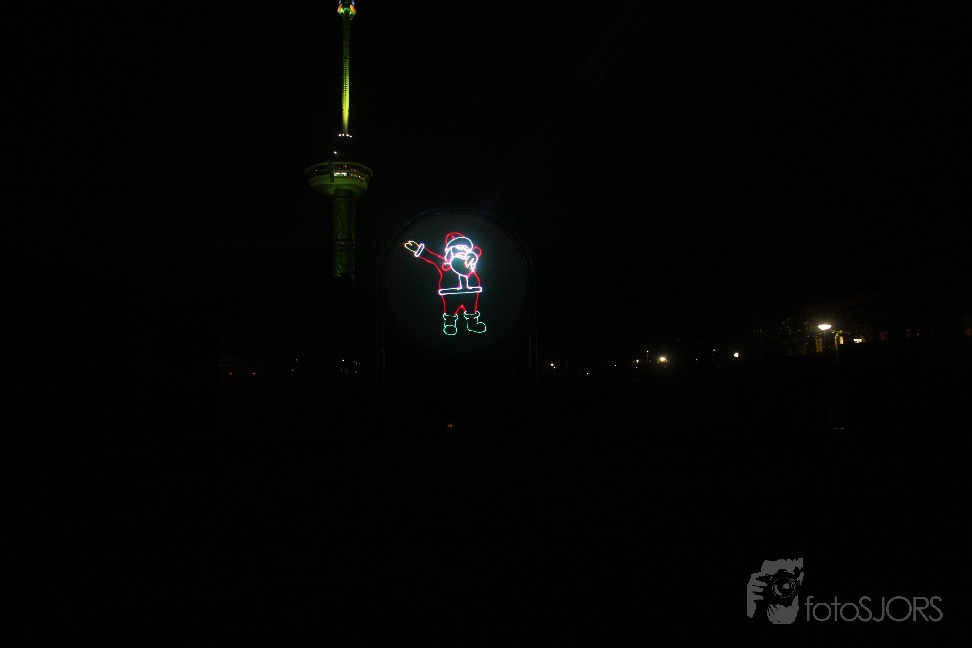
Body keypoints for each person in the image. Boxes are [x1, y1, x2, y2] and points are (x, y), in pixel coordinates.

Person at [403, 232, 487, 336]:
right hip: (451, 292)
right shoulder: (444, 265)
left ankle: (472, 324)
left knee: (471, 309)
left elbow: (475, 258)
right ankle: (450, 324)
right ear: (450, 251)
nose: (462, 250)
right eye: (458, 248)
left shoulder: (470, 264)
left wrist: (472, 259)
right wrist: (418, 250)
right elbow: (431, 257)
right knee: (451, 308)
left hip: (471, 292)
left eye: (465, 248)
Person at [746, 557, 804, 624]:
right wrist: (750, 611)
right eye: (772, 578)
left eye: (786, 576)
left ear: (800, 577)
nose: (780, 586)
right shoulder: (759, 602)